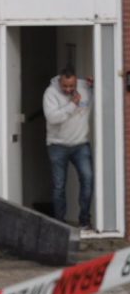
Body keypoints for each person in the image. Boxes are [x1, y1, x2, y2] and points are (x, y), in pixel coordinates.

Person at [42, 66, 94, 230]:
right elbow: (52, 118)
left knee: (88, 179)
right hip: (58, 145)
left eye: (71, 86)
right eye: (65, 86)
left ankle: (84, 221)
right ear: (60, 81)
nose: (68, 89)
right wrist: (72, 105)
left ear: (76, 81)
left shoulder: (85, 87)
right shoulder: (50, 93)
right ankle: (60, 224)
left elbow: (105, 92)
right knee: (59, 186)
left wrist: (96, 84)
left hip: (80, 144)